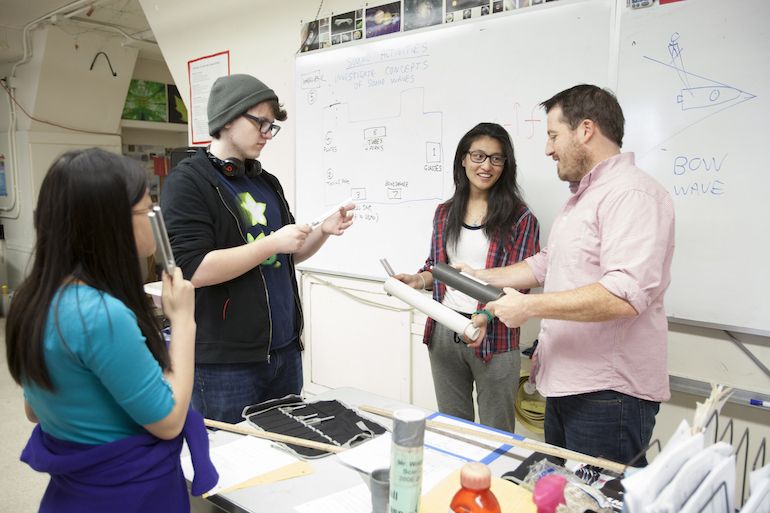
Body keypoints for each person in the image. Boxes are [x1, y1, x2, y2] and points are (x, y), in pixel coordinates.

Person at [466, 85, 675, 466]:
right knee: (564, 496)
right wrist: (483, 275)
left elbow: (624, 296)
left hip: (607, 395)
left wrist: (528, 307)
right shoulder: (584, 197)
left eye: (552, 135)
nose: (548, 149)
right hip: (567, 384)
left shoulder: (632, 195)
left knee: (596, 503)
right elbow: (549, 263)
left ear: (586, 130)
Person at [5, 148, 215, 512]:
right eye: (146, 211)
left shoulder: (33, 300)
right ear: (110, 224)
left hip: (71, 495)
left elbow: (34, 410)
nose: (154, 220)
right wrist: (183, 322)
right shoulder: (100, 314)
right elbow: (168, 421)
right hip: (129, 497)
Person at [161, 74, 354, 424]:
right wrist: (272, 242)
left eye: (272, 126)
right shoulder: (188, 182)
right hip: (225, 363)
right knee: (230, 464)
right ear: (228, 118)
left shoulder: (266, 182)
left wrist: (322, 232)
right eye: (261, 123)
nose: (268, 133)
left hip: (284, 353)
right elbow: (193, 270)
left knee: (289, 454)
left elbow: (287, 254)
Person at [395, 122, 540, 432]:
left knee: (496, 434)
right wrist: (417, 280)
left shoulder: (520, 217)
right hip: (443, 330)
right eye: (478, 156)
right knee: (453, 430)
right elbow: (437, 268)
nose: (486, 166)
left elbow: (522, 285)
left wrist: (486, 314)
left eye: (496, 158)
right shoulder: (445, 213)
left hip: (494, 337)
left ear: (505, 164)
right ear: (463, 159)